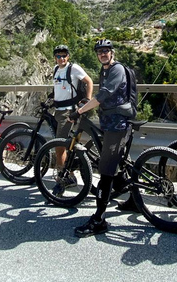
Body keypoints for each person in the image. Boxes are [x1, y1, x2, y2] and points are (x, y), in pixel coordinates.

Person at [69, 39, 136, 238]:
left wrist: (80, 110)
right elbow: (99, 95)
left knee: (106, 170)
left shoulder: (116, 70)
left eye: (106, 51)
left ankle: (99, 220)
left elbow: (104, 95)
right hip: (110, 122)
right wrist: (86, 101)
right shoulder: (105, 70)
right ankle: (135, 199)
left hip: (118, 124)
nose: (103, 54)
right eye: (100, 52)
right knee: (120, 162)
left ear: (112, 52)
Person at [50, 44, 93, 188]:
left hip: (68, 112)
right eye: (58, 56)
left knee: (59, 145)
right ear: (55, 58)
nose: (61, 58)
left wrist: (86, 100)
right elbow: (58, 88)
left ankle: (65, 177)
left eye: (64, 55)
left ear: (68, 56)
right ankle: (69, 173)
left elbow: (89, 81)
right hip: (58, 111)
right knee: (64, 144)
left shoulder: (73, 68)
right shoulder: (56, 69)